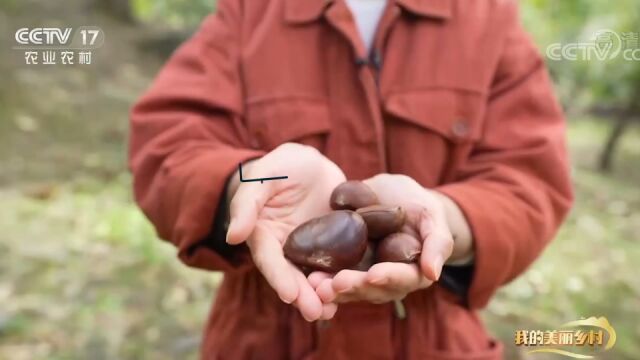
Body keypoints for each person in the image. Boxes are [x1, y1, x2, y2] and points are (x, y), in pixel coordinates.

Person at [128, 0, 573, 358]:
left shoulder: (489, 18)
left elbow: (530, 179)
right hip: (264, 338)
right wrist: (249, 183)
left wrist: (441, 218)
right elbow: (168, 144)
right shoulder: (248, 14)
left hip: (436, 342)